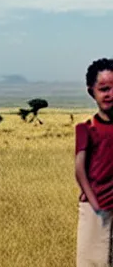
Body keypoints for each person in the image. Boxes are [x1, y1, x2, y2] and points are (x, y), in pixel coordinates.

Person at [75, 58, 113, 266]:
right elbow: (79, 169)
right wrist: (95, 204)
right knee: (92, 261)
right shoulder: (86, 128)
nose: (110, 94)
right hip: (96, 206)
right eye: (104, 89)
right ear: (92, 92)